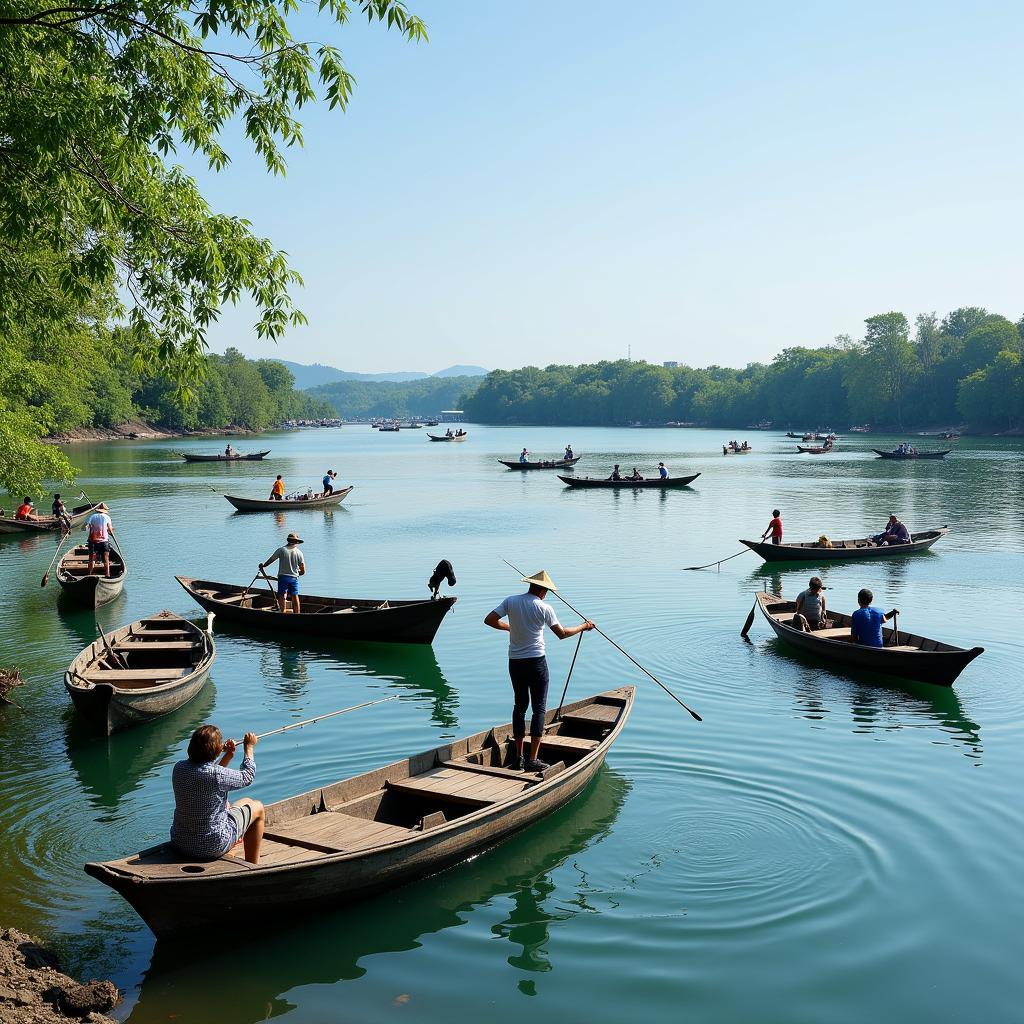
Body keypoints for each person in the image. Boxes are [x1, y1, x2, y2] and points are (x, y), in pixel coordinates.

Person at [484, 570, 595, 773]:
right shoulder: (545, 607)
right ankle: (532, 759)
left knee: (520, 706)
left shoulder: (511, 601)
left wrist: (509, 628)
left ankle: (518, 758)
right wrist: (584, 626)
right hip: (536, 663)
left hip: (515, 662)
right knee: (539, 708)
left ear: (531, 586)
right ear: (543, 590)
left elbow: (489, 620)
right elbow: (562, 634)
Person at [170, 725, 264, 865]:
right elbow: (247, 776)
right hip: (212, 845)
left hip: (181, 843)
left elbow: (209, 776)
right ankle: (253, 866)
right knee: (258, 808)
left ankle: (235, 842)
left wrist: (227, 754)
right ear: (214, 750)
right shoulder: (216, 775)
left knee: (245, 801)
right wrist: (249, 747)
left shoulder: (179, 768)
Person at [261, 532, 306, 613]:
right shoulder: (299, 553)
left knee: (281, 595)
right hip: (294, 578)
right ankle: (297, 614)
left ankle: (282, 612)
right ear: (296, 542)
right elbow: (303, 570)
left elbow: (271, 559)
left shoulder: (282, 550)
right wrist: (298, 574)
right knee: (295, 596)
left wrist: (263, 566)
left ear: (288, 541)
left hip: (283, 577)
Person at [83, 503, 114, 577]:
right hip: (104, 542)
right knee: (106, 559)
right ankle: (107, 574)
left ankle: (90, 574)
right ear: (104, 510)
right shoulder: (107, 517)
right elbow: (110, 529)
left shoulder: (92, 516)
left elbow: (86, 527)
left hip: (92, 541)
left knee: (91, 559)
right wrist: (111, 533)